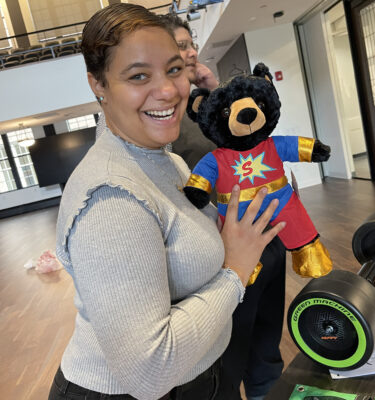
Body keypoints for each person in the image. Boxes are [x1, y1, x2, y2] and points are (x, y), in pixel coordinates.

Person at [48, 4, 285, 400]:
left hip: (199, 377)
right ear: (98, 84)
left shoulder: (167, 160)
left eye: (174, 70)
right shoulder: (110, 199)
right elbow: (149, 374)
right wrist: (235, 271)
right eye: (139, 75)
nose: (168, 91)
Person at [160, 14, 287, 400]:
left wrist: (216, 88)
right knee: (231, 355)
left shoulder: (219, 101)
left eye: (190, 42)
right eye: (180, 46)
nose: (192, 51)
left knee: (266, 347)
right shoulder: (167, 122)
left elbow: (259, 145)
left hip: (269, 235)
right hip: (224, 254)